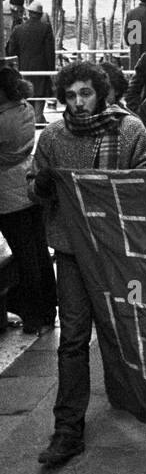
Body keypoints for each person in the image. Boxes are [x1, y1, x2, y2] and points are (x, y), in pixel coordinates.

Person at [28, 62, 146, 468]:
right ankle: (68, 428)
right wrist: (46, 184)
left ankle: (142, 398)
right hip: (70, 252)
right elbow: (32, 188)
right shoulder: (51, 137)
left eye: (86, 93)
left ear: (100, 93)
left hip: (119, 251)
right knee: (73, 338)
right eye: (71, 95)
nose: (79, 102)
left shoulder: (129, 129)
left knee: (126, 327)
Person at [0, 64, 57, 335]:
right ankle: (48, 309)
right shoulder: (25, 109)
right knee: (38, 251)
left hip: (8, 195)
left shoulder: (3, 120)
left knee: (25, 258)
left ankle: (33, 315)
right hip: (28, 185)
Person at [7, 0, 55, 122]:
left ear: (29, 13)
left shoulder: (18, 29)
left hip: (24, 70)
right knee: (39, 97)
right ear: (40, 15)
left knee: (26, 97)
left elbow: (11, 52)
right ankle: (38, 120)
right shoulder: (46, 28)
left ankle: (31, 123)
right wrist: (51, 72)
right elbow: (50, 53)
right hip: (41, 70)